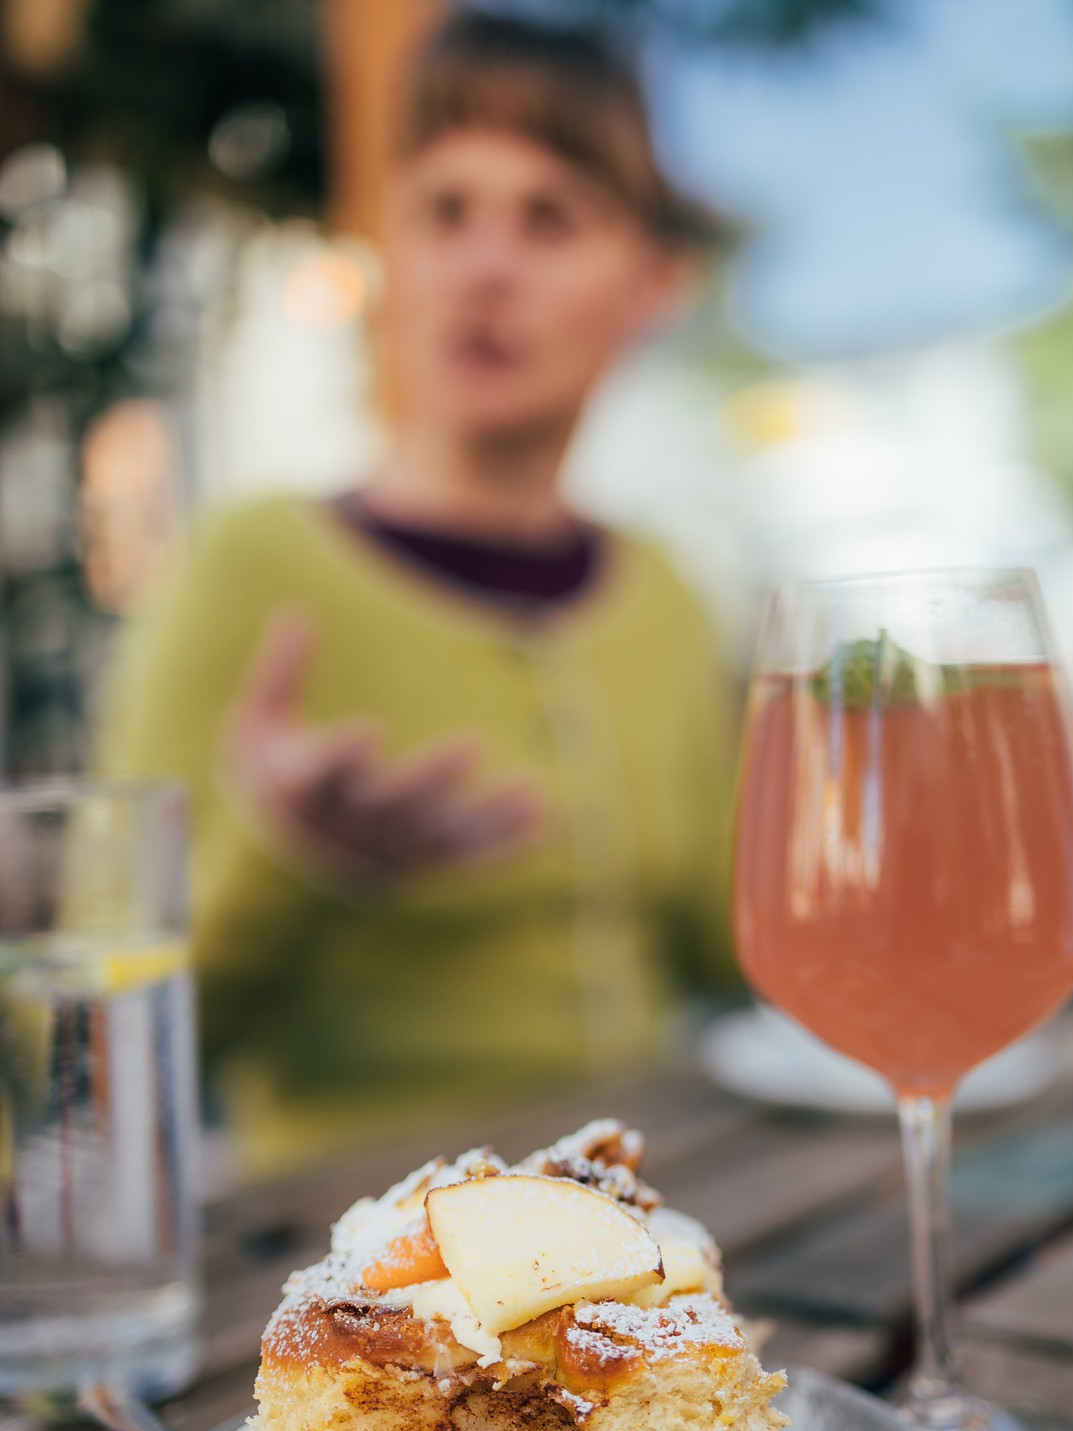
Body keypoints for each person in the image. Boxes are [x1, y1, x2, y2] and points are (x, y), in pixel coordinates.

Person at [99, 11, 734, 1175]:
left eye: (549, 218)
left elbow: (732, 958)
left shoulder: (669, 595)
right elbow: (107, 1070)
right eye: (442, 211)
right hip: (360, 1270)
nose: (483, 265)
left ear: (648, 284)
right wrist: (294, 863)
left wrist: (913, 825)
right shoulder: (244, 567)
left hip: (659, 1230)